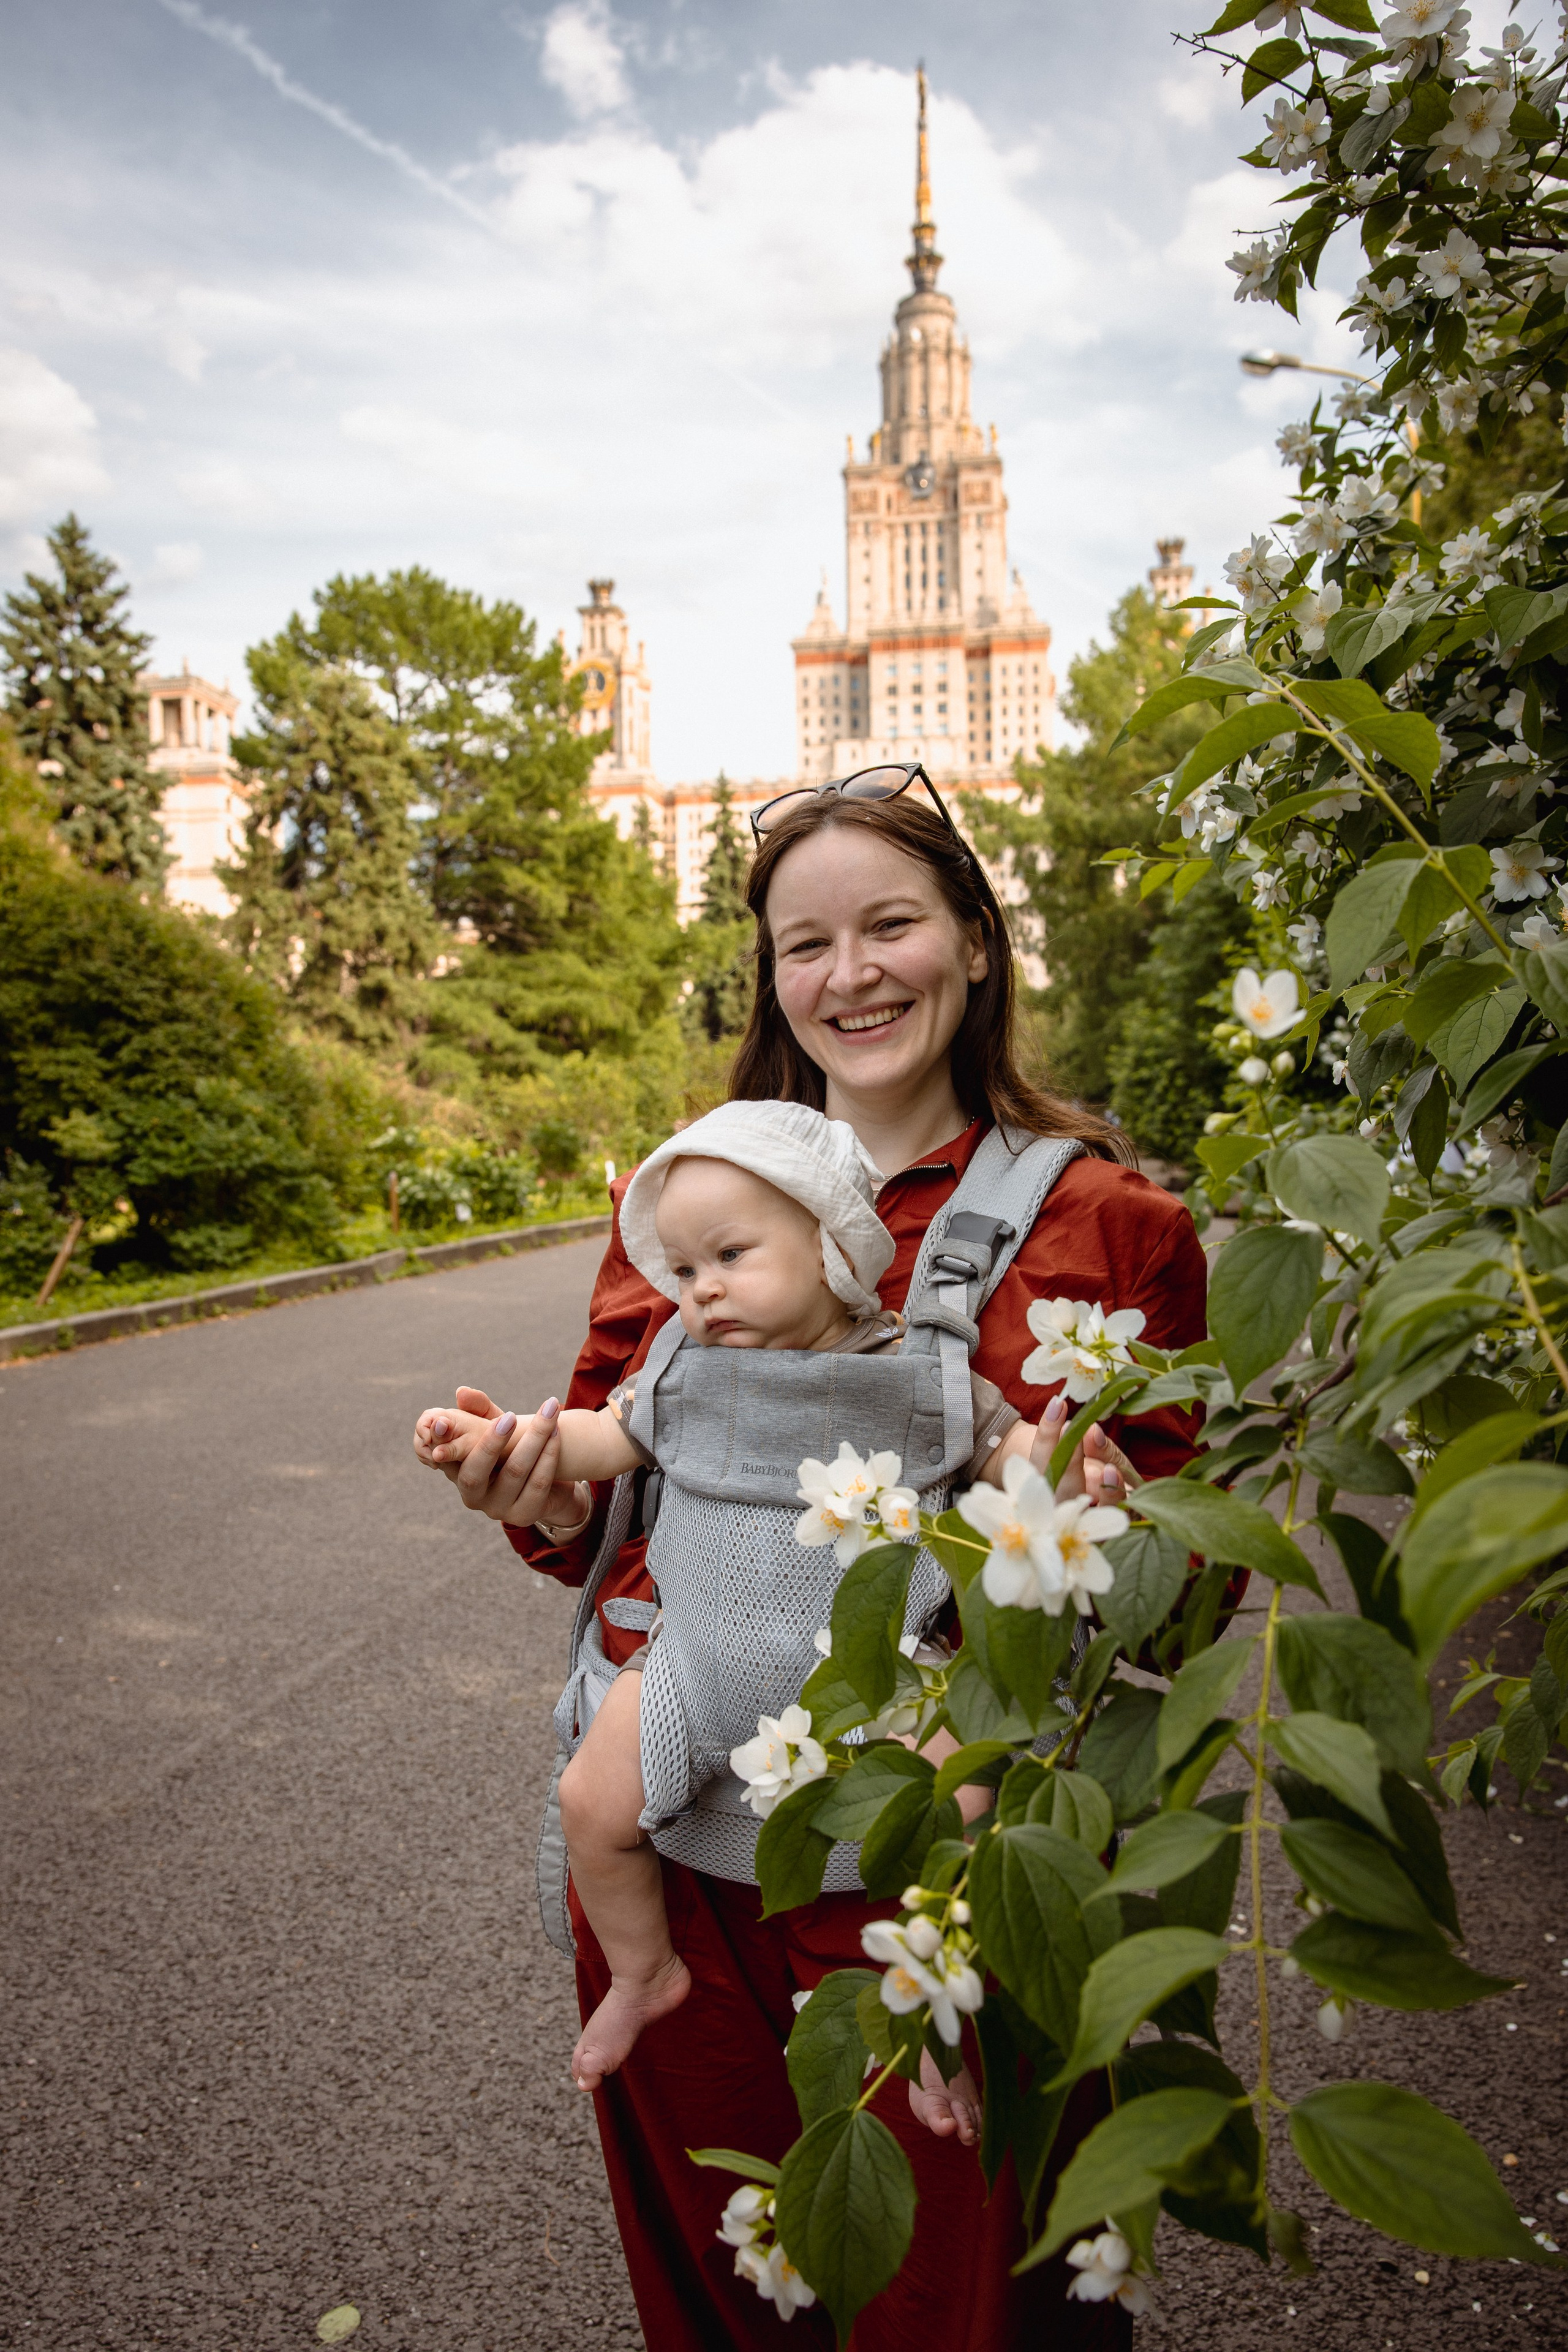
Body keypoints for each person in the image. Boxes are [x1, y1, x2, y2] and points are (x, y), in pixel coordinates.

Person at [422, 769, 1205, 2351]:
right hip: (678, 1848)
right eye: (804, 944)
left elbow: (1172, 1614)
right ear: (769, 979)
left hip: (932, 1880)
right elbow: (611, 1481)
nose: (849, 975)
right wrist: (540, 1494)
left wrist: (1107, 1517)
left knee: (962, 2314)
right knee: (728, 2297)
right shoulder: (690, 1208)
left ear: (977, 946)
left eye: (891, 925)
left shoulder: (1114, 1229)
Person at [416, 1098, 1123, 2101]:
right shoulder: (684, 1373)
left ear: (834, 1244)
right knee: (590, 1800)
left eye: (731, 1256)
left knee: (960, 1805)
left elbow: (1013, 1470)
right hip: (694, 1670)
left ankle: (924, 2026)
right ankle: (644, 1970)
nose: (702, 1291)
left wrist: (1059, 1466)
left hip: (880, 1689)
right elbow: (588, 1443)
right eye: (686, 1270)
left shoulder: (923, 1376)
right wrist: (492, 1441)